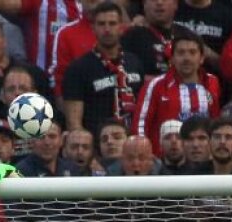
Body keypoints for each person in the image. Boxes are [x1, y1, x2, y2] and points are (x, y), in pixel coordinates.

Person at [133, 26, 221, 150]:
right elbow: (140, 125)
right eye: (181, 53)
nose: (186, 58)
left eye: (192, 52)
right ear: (172, 59)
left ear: (201, 58)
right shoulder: (156, 85)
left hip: (203, 158)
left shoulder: (212, 82)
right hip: (165, 162)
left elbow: (215, 121)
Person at [63, 2, 144, 133]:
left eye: (112, 24)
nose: (107, 29)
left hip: (133, 143)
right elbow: (74, 124)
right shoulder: (77, 69)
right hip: (98, 145)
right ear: (93, 28)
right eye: (101, 24)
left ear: (121, 27)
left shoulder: (135, 62)